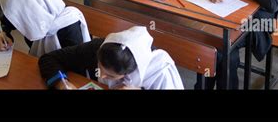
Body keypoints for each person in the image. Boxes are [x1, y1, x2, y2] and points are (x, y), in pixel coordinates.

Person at [38, 26, 184, 89]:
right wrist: (61, 84)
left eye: (110, 75)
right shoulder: (98, 48)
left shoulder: (160, 70)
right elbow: (49, 59)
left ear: (128, 73)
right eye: (100, 67)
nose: (100, 75)